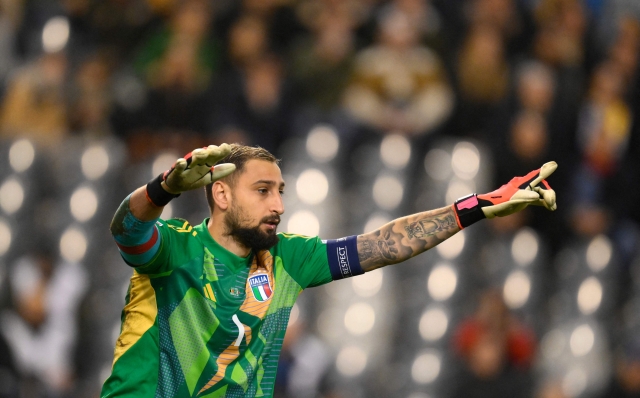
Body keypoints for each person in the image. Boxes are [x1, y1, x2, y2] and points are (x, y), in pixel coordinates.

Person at [100, 143, 557, 397]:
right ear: (221, 196)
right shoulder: (175, 248)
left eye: (280, 191)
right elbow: (126, 231)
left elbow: (383, 246)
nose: (278, 205)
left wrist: (475, 207)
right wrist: (162, 189)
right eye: (263, 191)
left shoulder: (288, 259)